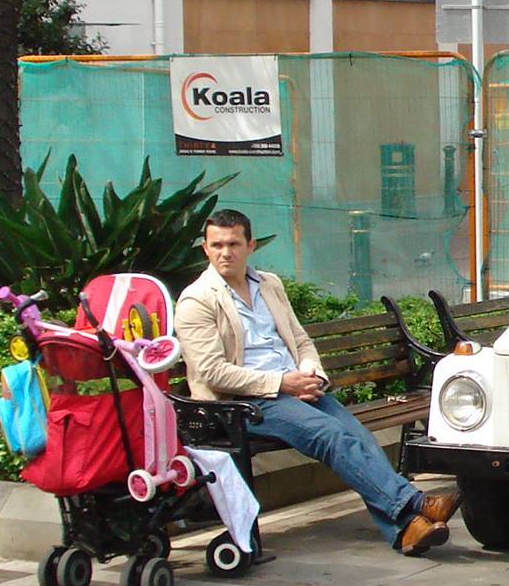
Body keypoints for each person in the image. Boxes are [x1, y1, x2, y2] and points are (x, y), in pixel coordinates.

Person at [175, 209, 460, 555]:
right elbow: (212, 372)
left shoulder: (269, 285)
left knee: (357, 436)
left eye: (233, 244)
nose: (225, 253)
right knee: (330, 435)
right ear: (205, 248)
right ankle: (414, 504)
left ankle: (406, 531)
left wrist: (312, 374)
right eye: (217, 245)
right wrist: (283, 383)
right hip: (243, 403)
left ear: (250, 245)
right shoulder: (197, 300)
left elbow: (300, 340)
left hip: (295, 389)